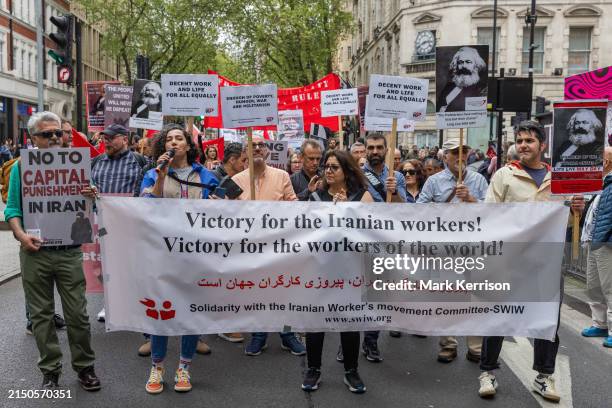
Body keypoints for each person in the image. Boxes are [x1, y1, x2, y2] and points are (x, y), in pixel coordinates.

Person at [478, 120, 584, 402]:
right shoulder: (504, 175)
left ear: (543, 145)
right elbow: (490, 216)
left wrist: (576, 211)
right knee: (497, 317)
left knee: (547, 320)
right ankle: (487, 372)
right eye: (520, 140)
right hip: (509, 262)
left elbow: (569, 227)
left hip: (547, 263)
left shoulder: (558, 179)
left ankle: (544, 376)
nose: (523, 145)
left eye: (529, 141)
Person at [4, 111, 101, 391]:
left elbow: (90, 208)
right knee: (41, 316)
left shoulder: (77, 163)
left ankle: (85, 367)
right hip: (35, 252)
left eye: (59, 132)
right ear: (33, 138)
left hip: (69, 251)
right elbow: (12, 208)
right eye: (47, 134)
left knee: (78, 315)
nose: (56, 138)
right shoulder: (23, 167)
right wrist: (22, 236)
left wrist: (91, 196)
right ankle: (50, 370)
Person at [139, 124, 218, 394]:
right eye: (169, 139)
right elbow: (147, 207)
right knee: (161, 311)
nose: (174, 142)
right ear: (163, 146)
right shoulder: (152, 174)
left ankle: (183, 367)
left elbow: (224, 212)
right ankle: (157, 367)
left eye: (179, 138)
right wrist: (161, 175)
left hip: (196, 255)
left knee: (190, 312)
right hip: (162, 254)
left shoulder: (207, 175)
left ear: (188, 144)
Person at [302, 150, 372, 394]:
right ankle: (313, 369)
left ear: (347, 171)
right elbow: (305, 232)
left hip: (349, 269)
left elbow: (369, 236)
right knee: (315, 320)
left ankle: (351, 371)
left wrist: (347, 212)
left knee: (349, 320)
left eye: (334, 167)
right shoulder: (316, 196)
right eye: (326, 167)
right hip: (320, 268)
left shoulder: (362, 196)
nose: (328, 171)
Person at [232, 136, 306, 356]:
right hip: (249, 247)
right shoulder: (236, 180)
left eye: (260, 145)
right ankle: (259, 334)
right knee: (255, 291)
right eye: (251, 145)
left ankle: (286, 334)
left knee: (283, 290)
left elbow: (293, 207)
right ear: (245, 151)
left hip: (278, 246)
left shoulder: (282, 176)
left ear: (267, 151)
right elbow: (229, 214)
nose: (256, 148)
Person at [418, 140, 488, 363]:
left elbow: (492, 212)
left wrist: (471, 199)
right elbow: (419, 211)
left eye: (464, 152)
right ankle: (448, 343)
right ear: (445, 156)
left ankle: (475, 346)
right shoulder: (434, 181)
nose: (460, 156)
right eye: (455, 153)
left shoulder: (478, 180)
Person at [81, 123, 150, 329]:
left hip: (130, 223)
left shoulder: (141, 162)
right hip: (101, 223)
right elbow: (86, 187)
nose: (106, 141)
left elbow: (146, 191)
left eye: (111, 138)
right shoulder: (96, 162)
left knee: (130, 264)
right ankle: (109, 304)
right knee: (107, 264)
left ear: (125, 140)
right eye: (104, 138)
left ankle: (133, 302)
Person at [349, 133, 405, 362]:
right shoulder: (356, 175)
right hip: (358, 241)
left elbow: (407, 210)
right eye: (369, 147)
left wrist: (395, 192)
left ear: (386, 149)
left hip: (384, 243)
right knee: (352, 292)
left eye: (378, 147)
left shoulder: (397, 176)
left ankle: (371, 341)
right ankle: (348, 340)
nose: (373, 151)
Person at [580, 146, 612, 348]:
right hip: (594, 241)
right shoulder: (603, 184)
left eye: (599, 159)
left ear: (607, 162)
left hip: (606, 244)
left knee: (609, 288)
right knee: (594, 287)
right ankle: (599, 324)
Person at [437, 46, 487, 113]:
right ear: (456, 66)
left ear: (476, 65)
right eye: (460, 62)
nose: (463, 66)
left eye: (468, 62)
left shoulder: (482, 89)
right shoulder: (449, 87)